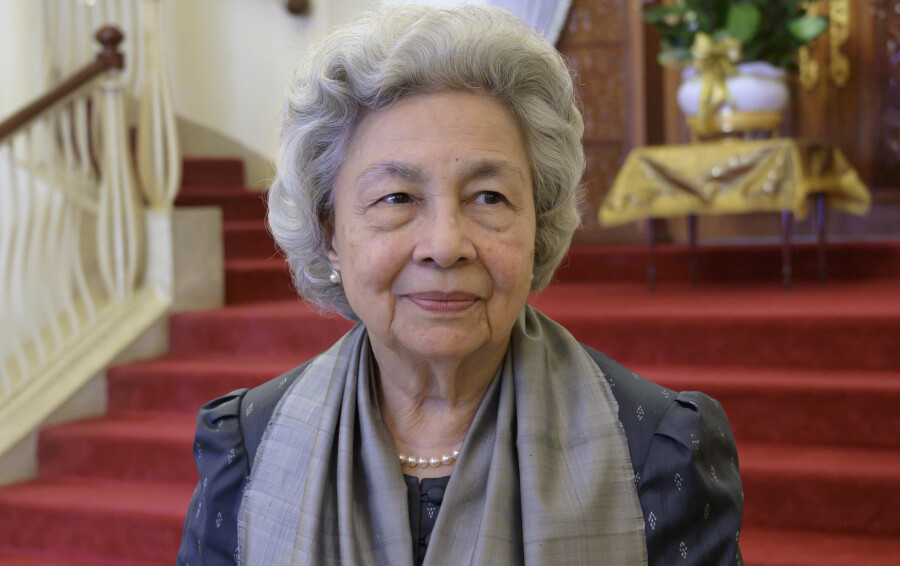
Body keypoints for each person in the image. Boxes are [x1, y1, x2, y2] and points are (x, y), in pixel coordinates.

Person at [177, 5, 743, 565]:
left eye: (488, 196)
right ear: (330, 235)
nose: (446, 244)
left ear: (537, 224)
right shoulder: (247, 444)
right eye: (397, 198)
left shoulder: (657, 447)